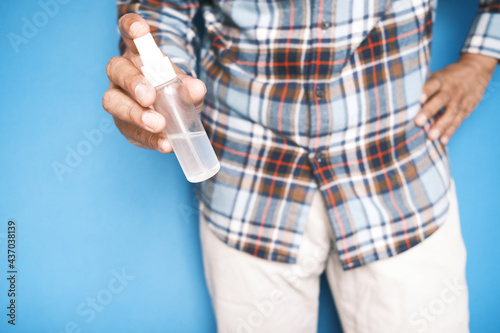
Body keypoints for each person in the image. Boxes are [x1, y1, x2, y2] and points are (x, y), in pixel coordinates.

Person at [102, 0, 499, 332]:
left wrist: (482, 56)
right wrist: (153, 67)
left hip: (400, 179)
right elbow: (160, 7)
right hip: (248, 185)